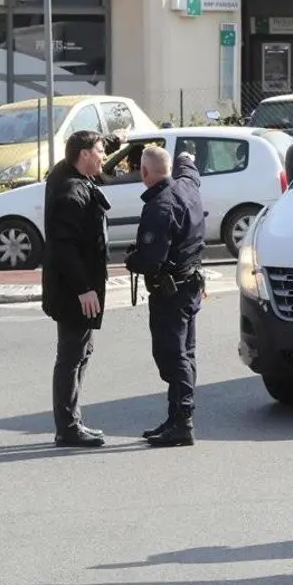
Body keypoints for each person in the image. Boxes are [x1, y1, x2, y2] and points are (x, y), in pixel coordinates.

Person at [124, 146, 207, 448]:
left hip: (170, 293)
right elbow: (190, 170)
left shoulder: (160, 207)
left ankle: (183, 421)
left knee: (172, 355)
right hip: (190, 286)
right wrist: (186, 156)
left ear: (145, 173)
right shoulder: (187, 186)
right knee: (186, 352)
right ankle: (175, 417)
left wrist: (132, 259)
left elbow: (150, 261)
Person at [41, 130, 111, 448]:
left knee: (80, 352)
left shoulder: (66, 173)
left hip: (74, 288)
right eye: (99, 151)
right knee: (72, 355)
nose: (104, 156)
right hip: (73, 291)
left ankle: (72, 422)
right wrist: (84, 289)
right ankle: (68, 427)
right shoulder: (71, 190)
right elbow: (63, 247)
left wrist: (114, 138)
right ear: (83, 154)